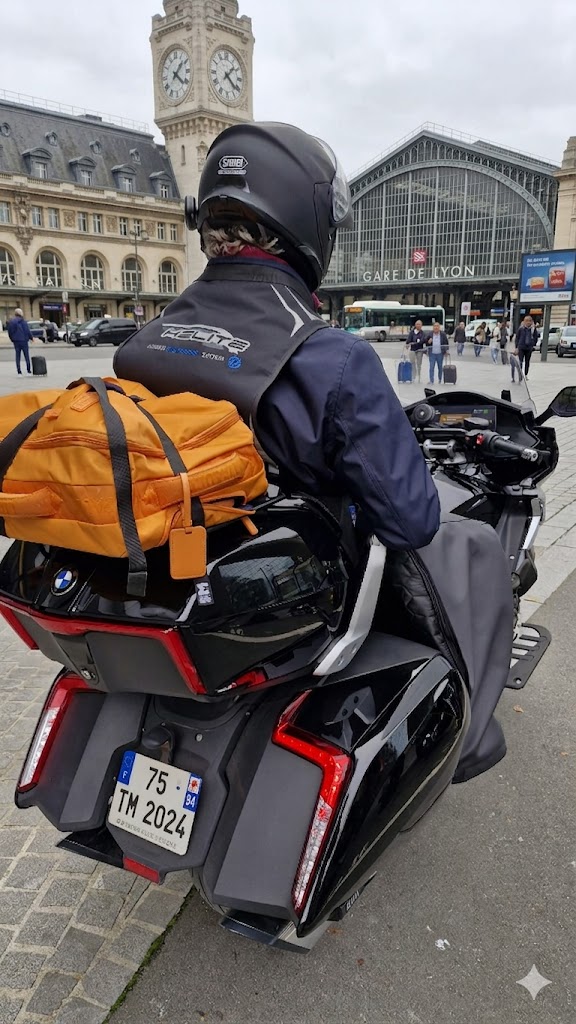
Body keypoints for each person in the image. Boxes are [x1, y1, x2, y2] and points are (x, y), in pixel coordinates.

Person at [114, 122, 440, 552]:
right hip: (288, 598)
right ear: (311, 223)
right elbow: (412, 523)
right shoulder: (336, 360)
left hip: (154, 562)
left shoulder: (143, 344)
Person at [7, 308, 32, 374]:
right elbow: (27, 331)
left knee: (17, 356)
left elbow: (10, 332)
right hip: (24, 340)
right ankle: (28, 370)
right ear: (21, 313)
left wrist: (12, 339)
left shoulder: (12, 322)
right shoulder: (24, 321)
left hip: (16, 341)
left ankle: (19, 371)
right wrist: (31, 338)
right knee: (26, 355)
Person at [515, 316, 538, 380]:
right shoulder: (521, 329)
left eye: (529, 321)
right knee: (520, 361)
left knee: (527, 362)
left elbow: (535, 337)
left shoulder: (533, 329)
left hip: (529, 348)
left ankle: (526, 374)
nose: (528, 322)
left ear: (531, 321)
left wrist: (533, 344)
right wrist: (516, 347)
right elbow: (517, 338)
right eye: (526, 321)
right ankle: (520, 374)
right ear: (524, 321)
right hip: (521, 347)